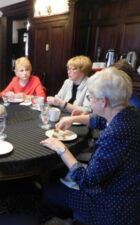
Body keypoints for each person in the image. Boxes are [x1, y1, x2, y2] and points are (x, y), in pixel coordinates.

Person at [40, 67, 140, 225]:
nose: (89, 100)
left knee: (49, 192)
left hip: (113, 206)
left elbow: (87, 180)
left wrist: (61, 149)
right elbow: (100, 120)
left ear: (103, 101)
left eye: (90, 97)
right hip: (131, 191)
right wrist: (73, 120)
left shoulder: (114, 135)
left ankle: (73, 219)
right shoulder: (131, 113)